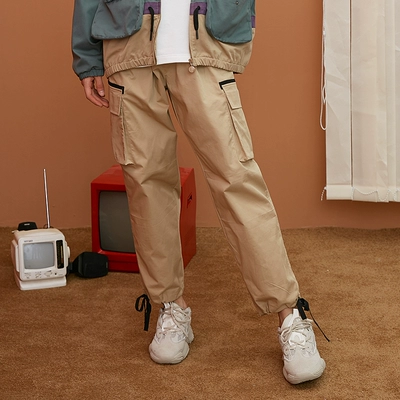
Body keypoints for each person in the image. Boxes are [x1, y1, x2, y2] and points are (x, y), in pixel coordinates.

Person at [72, 0, 326, 384]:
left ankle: (290, 314)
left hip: (203, 40)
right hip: (128, 47)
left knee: (237, 180)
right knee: (146, 187)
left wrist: (237, 22)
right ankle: (170, 306)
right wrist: (87, 57)